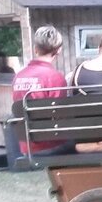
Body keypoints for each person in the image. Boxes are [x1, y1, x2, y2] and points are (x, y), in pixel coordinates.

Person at [12, 25, 74, 156]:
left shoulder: (19, 76)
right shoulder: (55, 78)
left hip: (26, 145)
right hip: (51, 144)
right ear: (59, 51)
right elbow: (60, 116)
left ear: (35, 49)